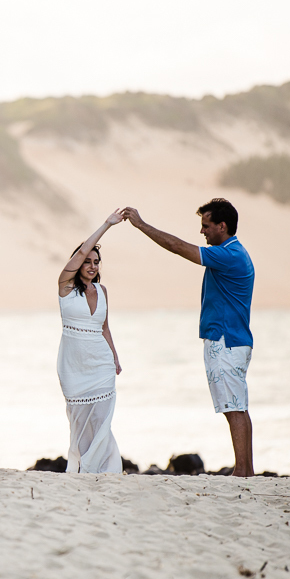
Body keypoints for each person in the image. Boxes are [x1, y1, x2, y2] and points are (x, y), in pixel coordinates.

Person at [123, 199, 256, 477]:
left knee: (234, 408)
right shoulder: (233, 252)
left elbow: (177, 247)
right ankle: (245, 469)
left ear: (222, 226)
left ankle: (243, 471)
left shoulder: (228, 254)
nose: (202, 232)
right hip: (232, 340)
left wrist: (141, 225)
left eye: (206, 226)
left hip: (226, 340)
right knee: (237, 407)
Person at [56, 209, 128, 473]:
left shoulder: (102, 290)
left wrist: (115, 357)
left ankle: (103, 470)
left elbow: (105, 328)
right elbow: (79, 254)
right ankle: (83, 466)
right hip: (74, 366)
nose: (92, 265)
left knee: (101, 419)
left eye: (96, 261)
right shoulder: (65, 286)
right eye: (87, 260)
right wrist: (107, 225)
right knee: (78, 420)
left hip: (101, 364)